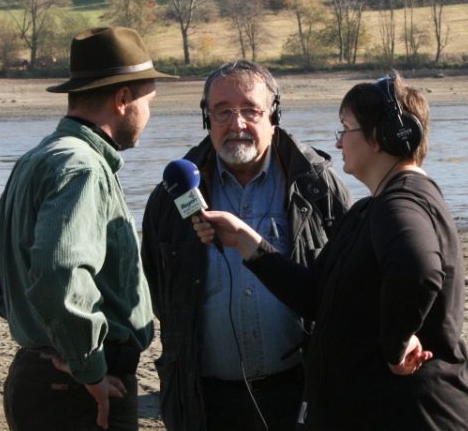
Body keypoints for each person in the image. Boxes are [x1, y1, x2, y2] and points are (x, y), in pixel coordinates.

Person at [193, 73, 468, 430]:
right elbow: (315, 296)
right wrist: (244, 240)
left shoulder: (401, 204)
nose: (338, 143)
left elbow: (418, 269)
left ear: (379, 137)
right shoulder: (372, 209)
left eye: (346, 128)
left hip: (414, 415)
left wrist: (395, 345)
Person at [0, 26, 176, 431]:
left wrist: (47, 331)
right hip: (80, 391)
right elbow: (58, 272)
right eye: (148, 101)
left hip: (48, 379)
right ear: (122, 100)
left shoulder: (39, 157)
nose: (150, 114)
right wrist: (87, 365)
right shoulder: (81, 167)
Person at [141, 60, 352, 431]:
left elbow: (350, 284)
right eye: (223, 111)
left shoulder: (316, 186)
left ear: (274, 115)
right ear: (207, 118)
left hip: (302, 394)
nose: (236, 124)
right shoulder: (171, 197)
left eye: (250, 110)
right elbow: (161, 292)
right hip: (205, 402)